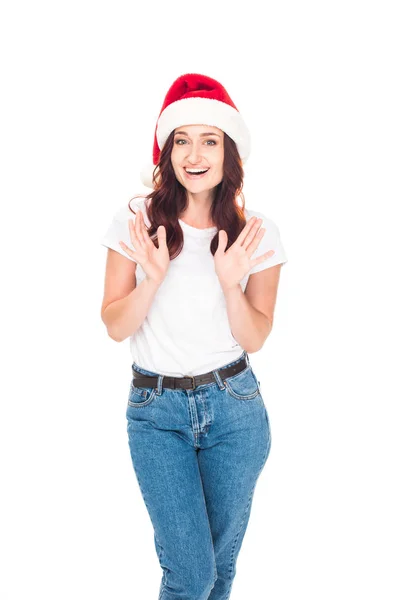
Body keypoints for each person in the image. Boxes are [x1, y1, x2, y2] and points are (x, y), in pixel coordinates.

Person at [100, 73, 288, 600]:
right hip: (156, 412)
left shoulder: (258, 233)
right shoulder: (135, 221)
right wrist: (152, 277)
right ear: (166, 152)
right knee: (190, 575)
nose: (195, 154)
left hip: (235, 410)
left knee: (220, 571)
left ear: (229, 153)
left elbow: (255, 336)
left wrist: (232, 285)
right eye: (182, 139)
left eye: (210, 140)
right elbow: (115, 326)